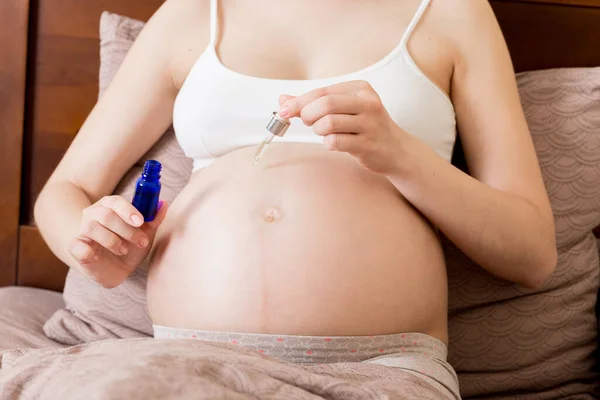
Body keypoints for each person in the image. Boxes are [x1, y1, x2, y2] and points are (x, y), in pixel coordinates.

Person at [34, 0, 557, 398]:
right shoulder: (194, 12)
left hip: (381, 371)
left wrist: (401, 154)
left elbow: (532, 254)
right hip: (186, 361)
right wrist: (92, 248)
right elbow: (65, 191)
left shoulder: (452, 12)